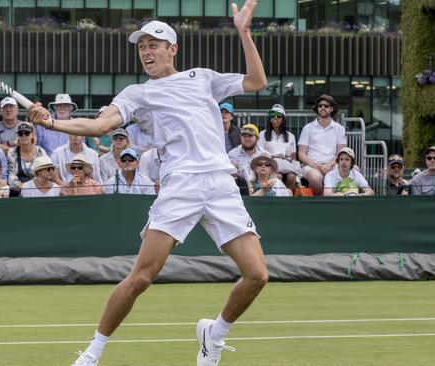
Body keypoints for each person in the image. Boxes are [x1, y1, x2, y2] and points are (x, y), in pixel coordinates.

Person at [27, 5, 268, 365]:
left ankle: (213, 334)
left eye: (153, 44)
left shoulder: (201, 78)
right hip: (179, 187)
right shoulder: (137, 94)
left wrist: (244, 33)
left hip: (221, 183)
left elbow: (256, 82)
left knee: (257, 275)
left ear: (173, 48)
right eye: (141, 47)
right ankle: (92, 353)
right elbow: (98, 126)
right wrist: (53, 124)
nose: (146, 52)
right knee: (140, 278)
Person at [297, 94, 347, 195]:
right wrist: (314, 165)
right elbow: (301, 154)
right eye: (320, 106)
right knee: (316, 178)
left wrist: (329, 165)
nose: (322, 108)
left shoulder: (339, 129)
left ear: (332, 108)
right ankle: (321, 202)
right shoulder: (308, 128)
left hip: (333, 164)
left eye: (326, 106)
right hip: (311, 165)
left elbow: (341, 153)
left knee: (350, 172)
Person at [257, 104, 300, 189]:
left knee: (292, 177)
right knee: (278, 177)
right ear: (270, 119)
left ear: (283, 119)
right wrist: (274, 156)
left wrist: (286, 158)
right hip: (269, 165)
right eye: (273, 116)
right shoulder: (262, 134)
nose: (275, 118)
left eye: (278, 116)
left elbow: (292, 157)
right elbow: (260, 154)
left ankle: (288, 199)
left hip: (285, 165)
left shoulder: (290, 136)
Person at [6, 122, 48, 197]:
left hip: (38, 189)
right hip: (18, 191)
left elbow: (45, 174)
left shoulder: (41, 151)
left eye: (27, 133)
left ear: (32, 135)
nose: (24, 136)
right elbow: (11, 175)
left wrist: (31, 187)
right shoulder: (12, 152)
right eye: (20, 134)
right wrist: (21, 186)